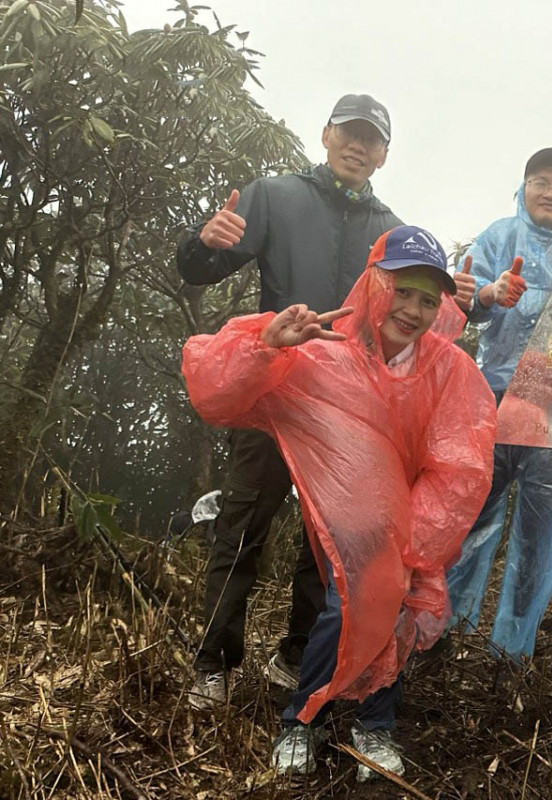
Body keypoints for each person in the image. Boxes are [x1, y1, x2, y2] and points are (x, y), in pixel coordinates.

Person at [182, 225, 497, 781]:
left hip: (406, 531)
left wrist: (412, 546)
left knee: (392, 606)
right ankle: (303, 719)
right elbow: (214, 388)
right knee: (346, 604)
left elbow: (460, 467)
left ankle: (372, 724)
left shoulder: (450, 370)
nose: (413, 309)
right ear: (376, 283)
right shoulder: (324, 349)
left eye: (429, 300)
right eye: (403, 290)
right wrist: (266, 347)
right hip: (344, 524)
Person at [177, 94, 403, 707]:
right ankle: (215, 664)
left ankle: (296, 654)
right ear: (326, 134)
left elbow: (413, 312)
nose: (358, 146)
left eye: (371, 139)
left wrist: (476, 298)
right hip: (273, 390)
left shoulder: (390, 231)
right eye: (349, 133)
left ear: (384, 154)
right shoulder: (276, 195)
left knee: (327, 538)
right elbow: (200, 268)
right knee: (243, 523)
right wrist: (203, 241)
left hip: (343, 411)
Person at [443, 148, 552, 661]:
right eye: (539, 181)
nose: (549, 192)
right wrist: (488, 293)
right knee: (467, 520)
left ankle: (511, 657)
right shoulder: (500, 236)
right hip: (496, 398)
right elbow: (457, 301)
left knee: (542, 537)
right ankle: (439, 639)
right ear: (523, 189)